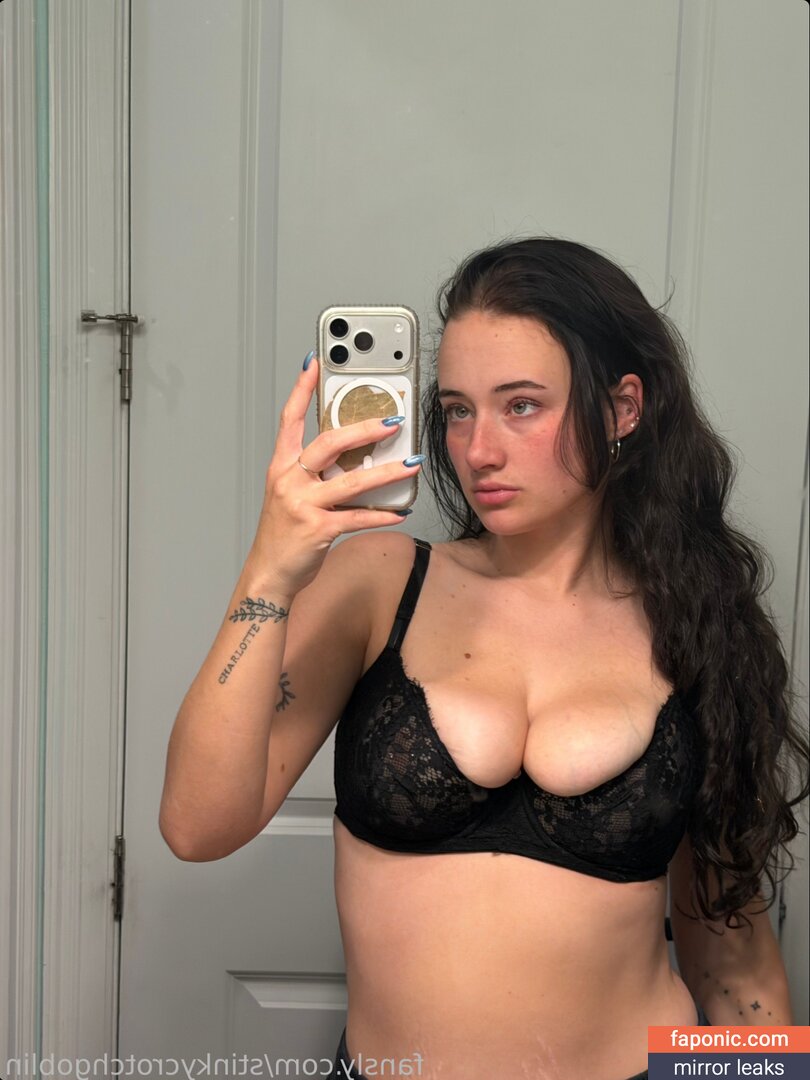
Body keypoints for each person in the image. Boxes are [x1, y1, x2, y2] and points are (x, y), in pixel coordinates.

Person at [160, 238, 808, 1079]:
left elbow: (734, 963)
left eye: (522, 406)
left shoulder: (695, 622)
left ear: (623, 408)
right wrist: (270, 572)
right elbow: (197, 826)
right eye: (458, 410)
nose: (479, 450)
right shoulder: (381, 583)